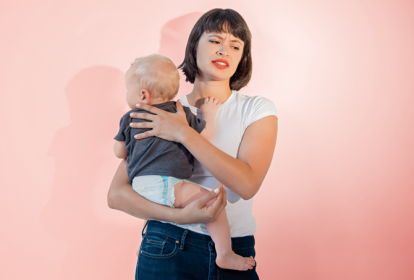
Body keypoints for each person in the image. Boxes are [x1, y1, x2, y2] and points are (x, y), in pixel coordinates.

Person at [108, 8, 278, 279]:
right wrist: (180, 217)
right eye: (214, 40)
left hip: (236, 247)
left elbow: (247, 185)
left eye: (235, 45)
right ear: (193, 46)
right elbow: (117, 195)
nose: (224, 50)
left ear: (242, 58)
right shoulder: (160, 110)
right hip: (167, 243)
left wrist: (184, 133)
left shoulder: (257, 109)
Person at [114, 53, 255, 271]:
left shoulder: (130, 117)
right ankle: (225, 253)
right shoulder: (180, 113)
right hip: (166, 183)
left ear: (143, 95)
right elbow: (205, 136)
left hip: (140, 186)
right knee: (213, 203)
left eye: (126, 90)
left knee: (166, 203)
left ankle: (150, 245)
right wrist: (209, 112)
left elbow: (119, 151)